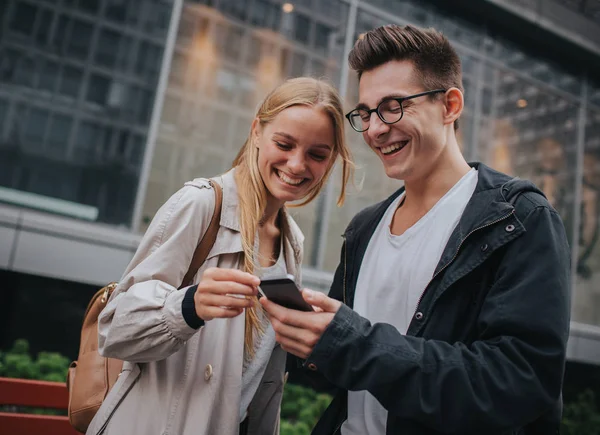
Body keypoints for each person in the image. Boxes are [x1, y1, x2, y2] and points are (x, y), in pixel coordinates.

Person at [261, 25, 571, 435]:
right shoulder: (365, 228)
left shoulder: (520, 219)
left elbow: (519, 383)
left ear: (450, 105)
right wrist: (305, 337)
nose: (374, 129)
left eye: (393, 106)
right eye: (366, 113)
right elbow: (337, 373)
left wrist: (356, 345)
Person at [85, 77, 353, 435]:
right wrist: (188, 306)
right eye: (284, 144)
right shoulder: (201, 204)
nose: (297, 164)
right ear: (257, 131)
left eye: (317, 155)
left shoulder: (292, 243)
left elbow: (262, 383)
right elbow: (115, 329)